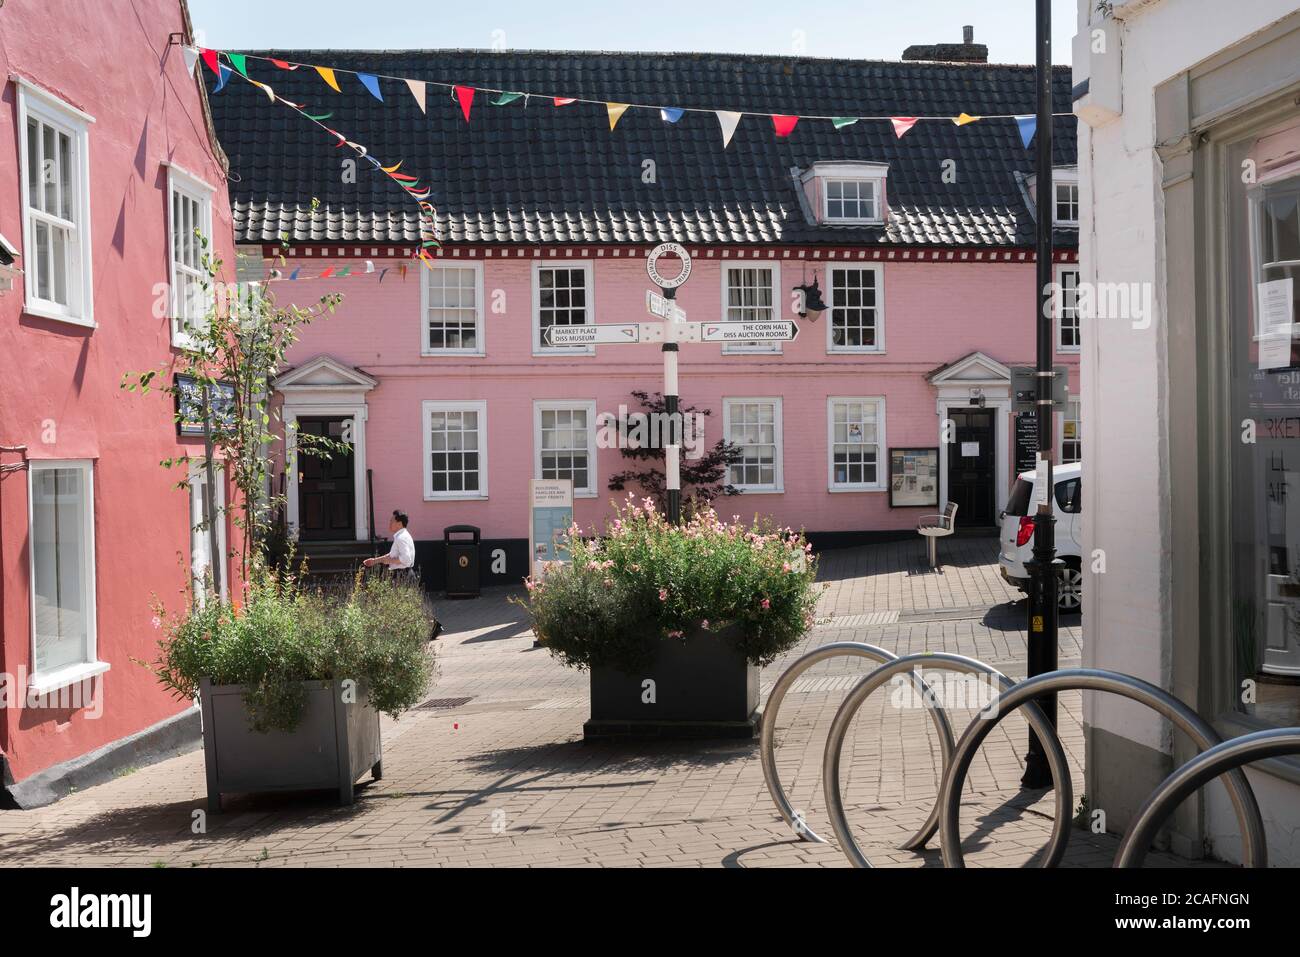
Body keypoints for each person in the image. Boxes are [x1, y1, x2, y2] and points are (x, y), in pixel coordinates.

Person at [364, 510, 442, 640]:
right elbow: (392, 555)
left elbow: (405, 560)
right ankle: (430, 628)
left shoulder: (401, 538)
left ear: (399, 523)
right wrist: (375, 561)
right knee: (410, 603)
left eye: (391, 521)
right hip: (403, 574)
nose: (389, 523)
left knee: (407, 603)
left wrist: (388, 561)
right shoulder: (401, 536)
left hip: (402, 575)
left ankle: (429, 629)